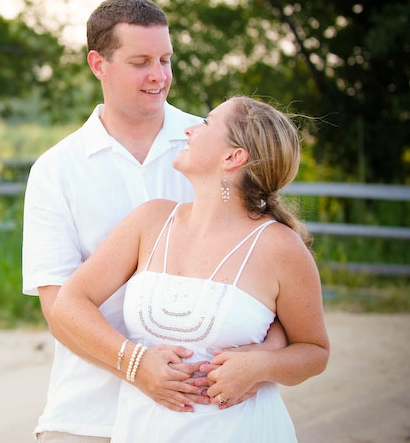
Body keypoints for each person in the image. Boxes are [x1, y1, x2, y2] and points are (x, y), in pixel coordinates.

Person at [22, 0, 286, 442]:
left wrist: (261, 361)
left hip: (202, 413)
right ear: (98, 64)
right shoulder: (56, 170)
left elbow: (266, 275)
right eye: (141, 61)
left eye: (165, 60)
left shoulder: (209, 146)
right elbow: (59, 308)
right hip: (87, 413)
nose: (159, 76)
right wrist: (136, 364)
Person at [53, 96, 330, 442]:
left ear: (233, 157)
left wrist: (261, 366)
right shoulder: (151, 221)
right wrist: (134, 361)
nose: (189, 129)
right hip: (143, 431)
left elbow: (314, 351)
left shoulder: (280, 247)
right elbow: (70, 302)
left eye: (206, 123)